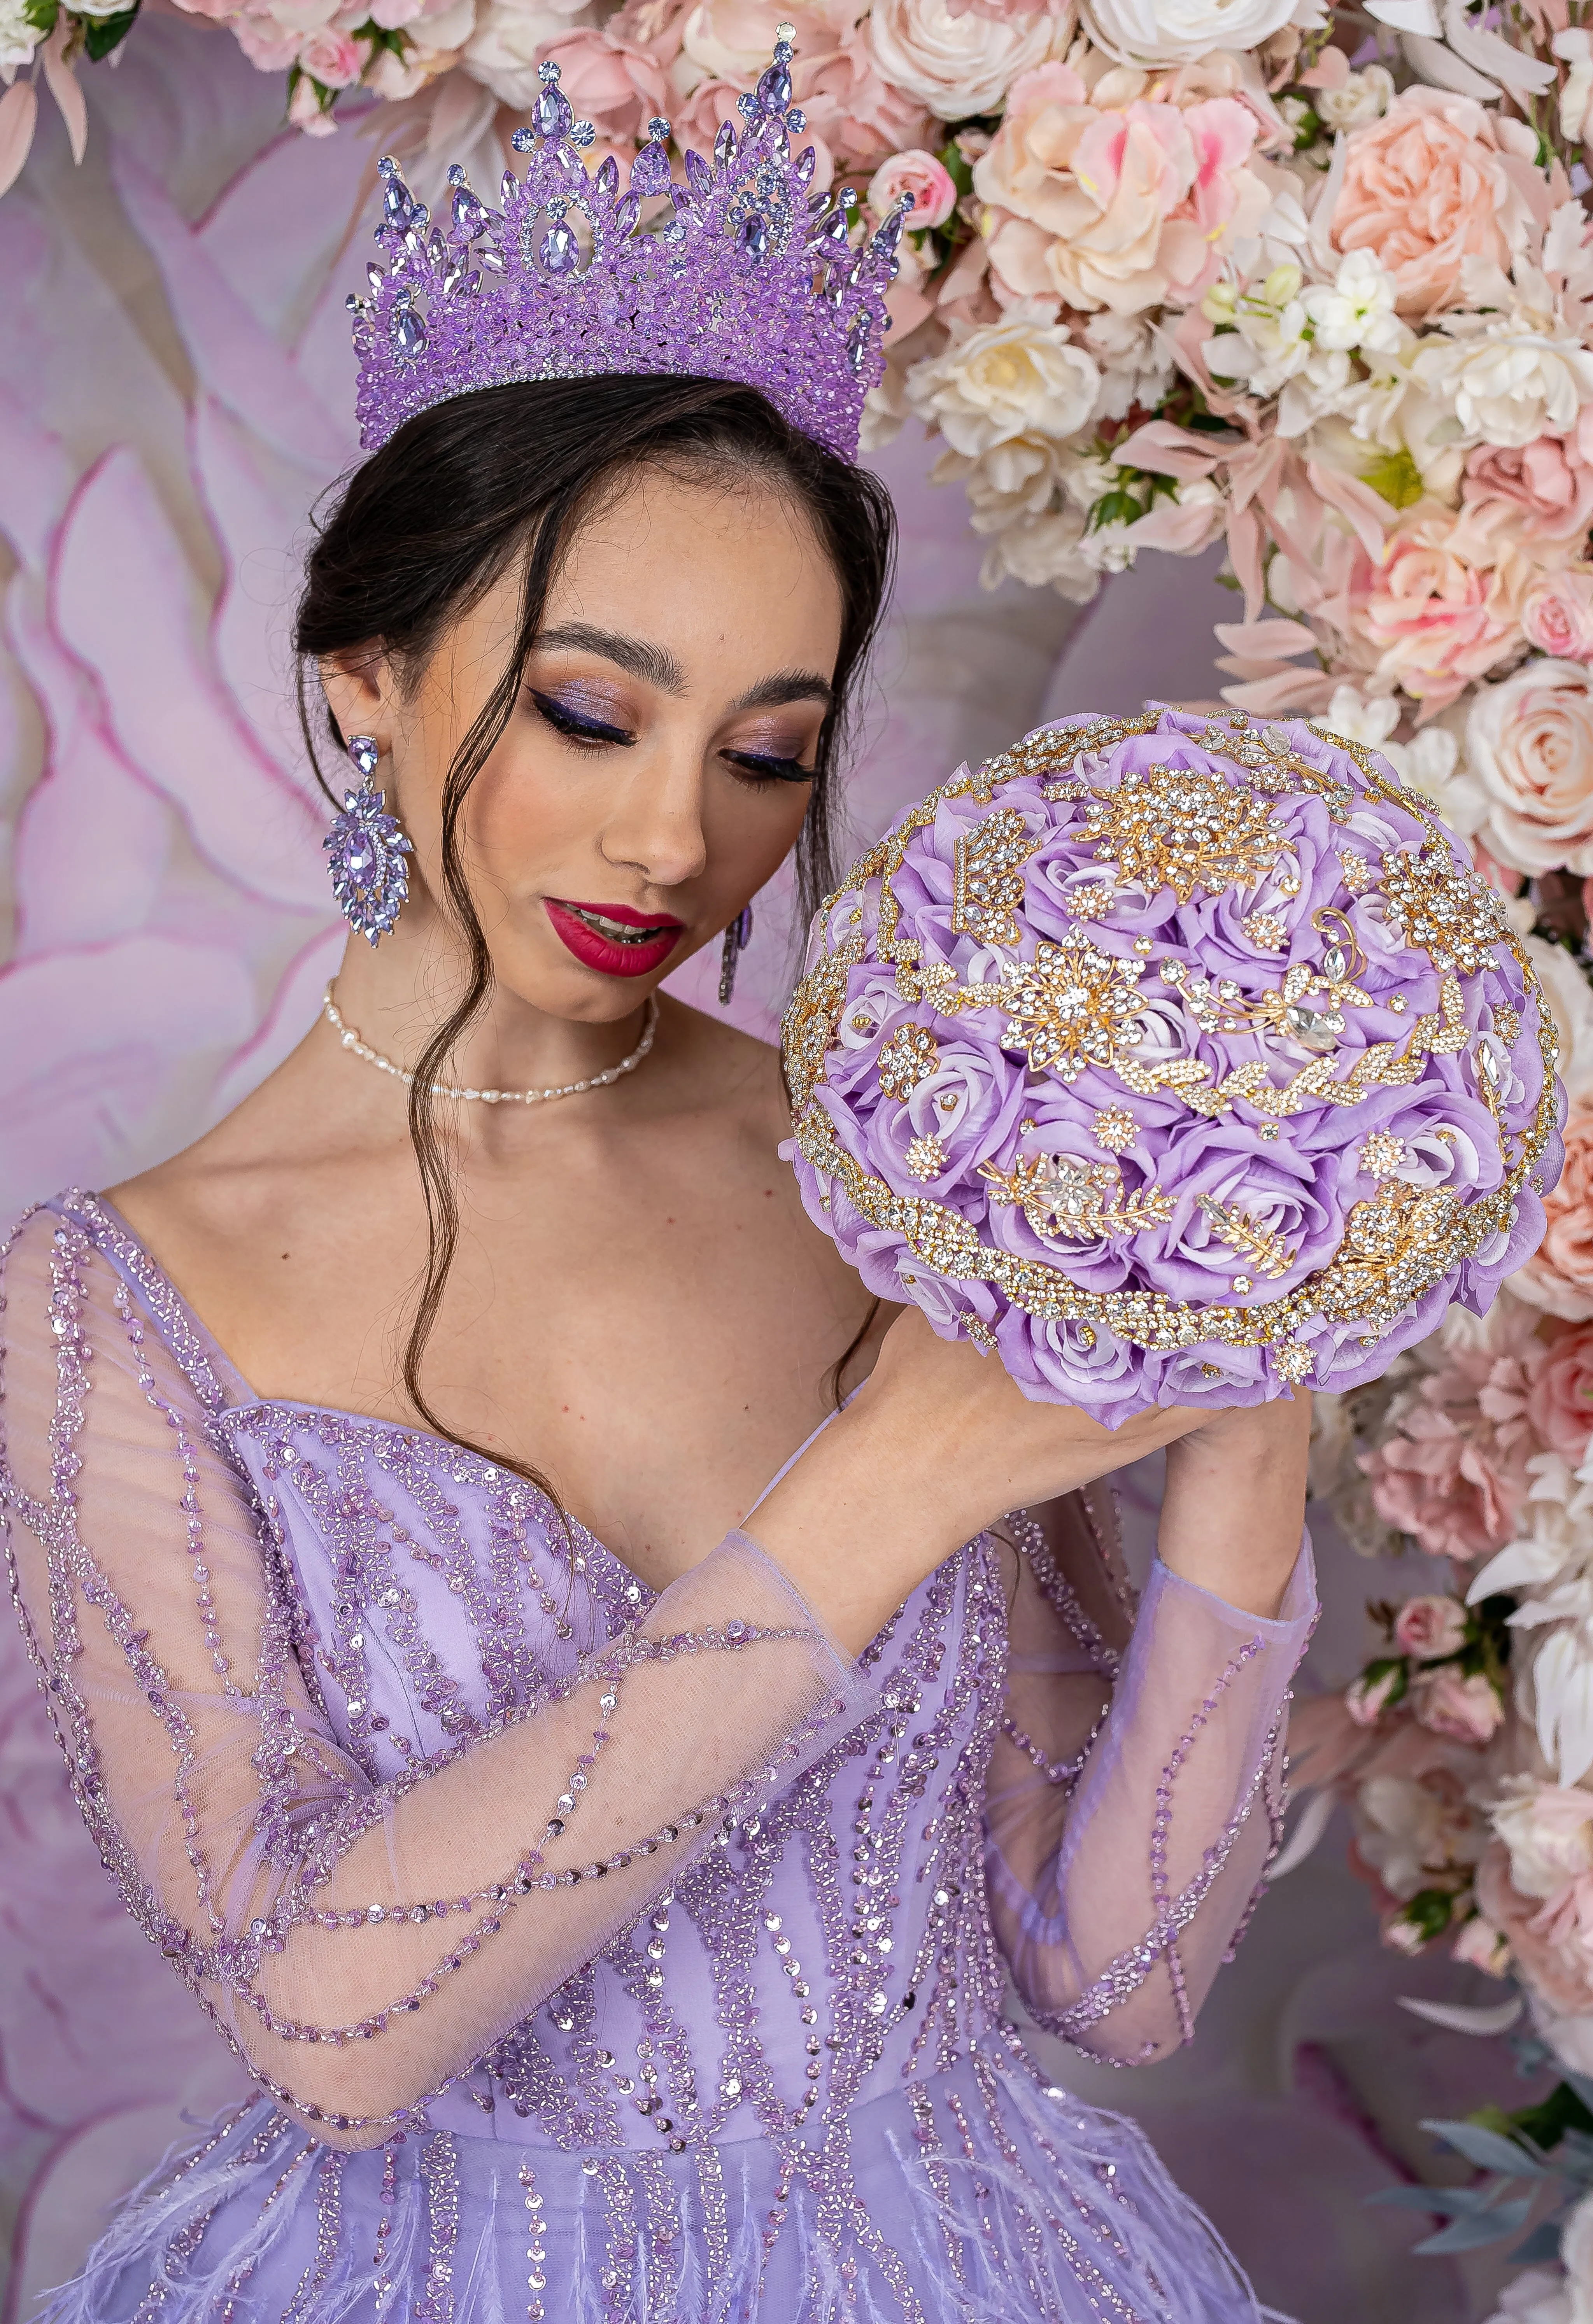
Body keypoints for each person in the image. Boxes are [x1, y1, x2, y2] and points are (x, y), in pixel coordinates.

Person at [0, 44, 1315, 2324]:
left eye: (765, 754)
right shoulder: (104, 1310)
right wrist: (877, 1490)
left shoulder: (884, 1155)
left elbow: (1107, 1979)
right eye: (591, 714)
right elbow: (328, 2026)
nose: (670, 840)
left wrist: (1259, 1394)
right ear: (369, 680)